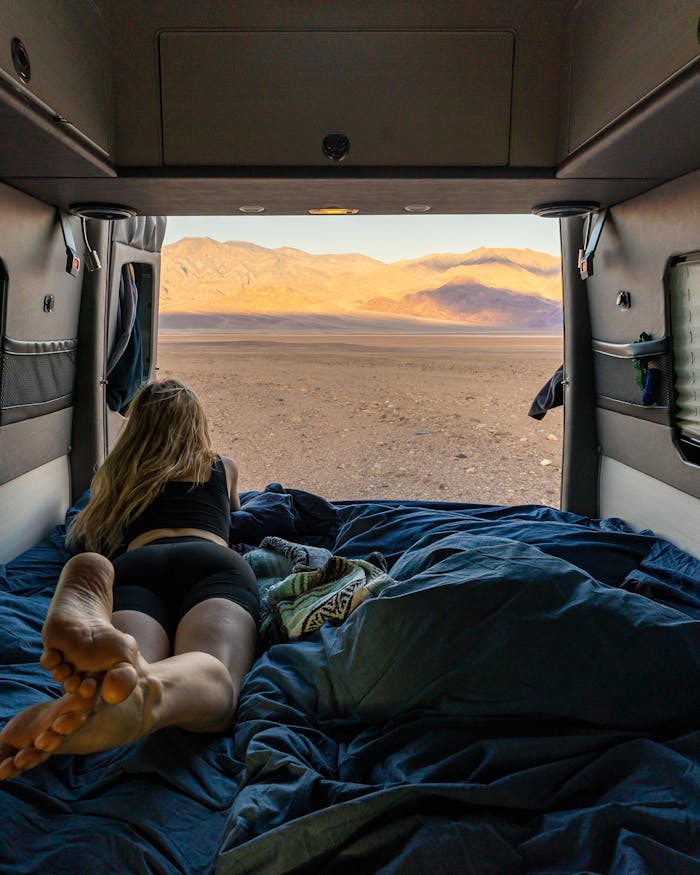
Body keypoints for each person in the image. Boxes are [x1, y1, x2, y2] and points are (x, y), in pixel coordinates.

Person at [0, 379, 259, 780]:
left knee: (127, 665)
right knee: (216, 677)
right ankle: (152, 691)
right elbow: (236, 510)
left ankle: (126, 688)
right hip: (212, 563)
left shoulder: (119, 473)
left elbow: (89, 529)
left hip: (136, 566)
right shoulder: (221, 466)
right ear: (197, 424)